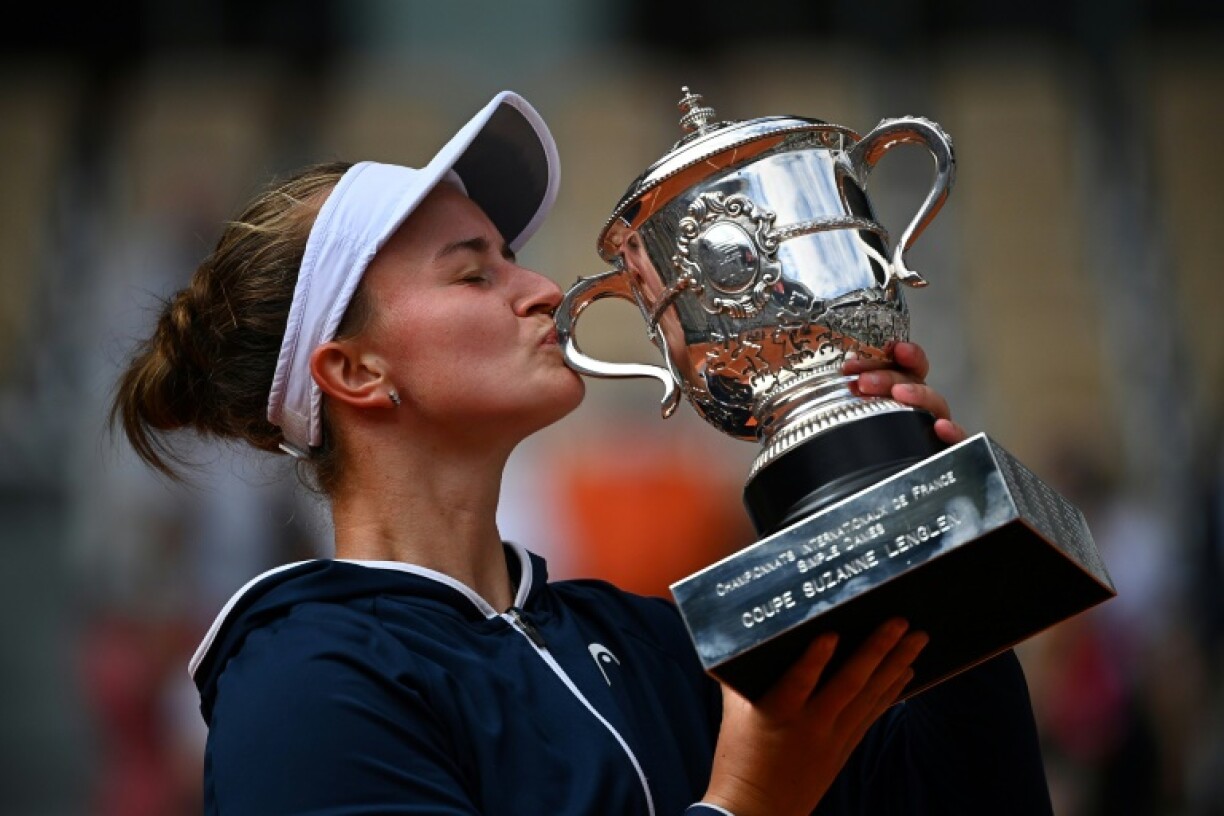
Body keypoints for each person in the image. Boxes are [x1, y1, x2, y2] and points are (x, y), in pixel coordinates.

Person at [111, 91, 1052, 815]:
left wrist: (915, 518)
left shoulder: (648, 638)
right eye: (474, 271)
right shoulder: (303, 681)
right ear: (354, 371)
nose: (544, 290)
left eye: (513, 257)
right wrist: (744, 807)